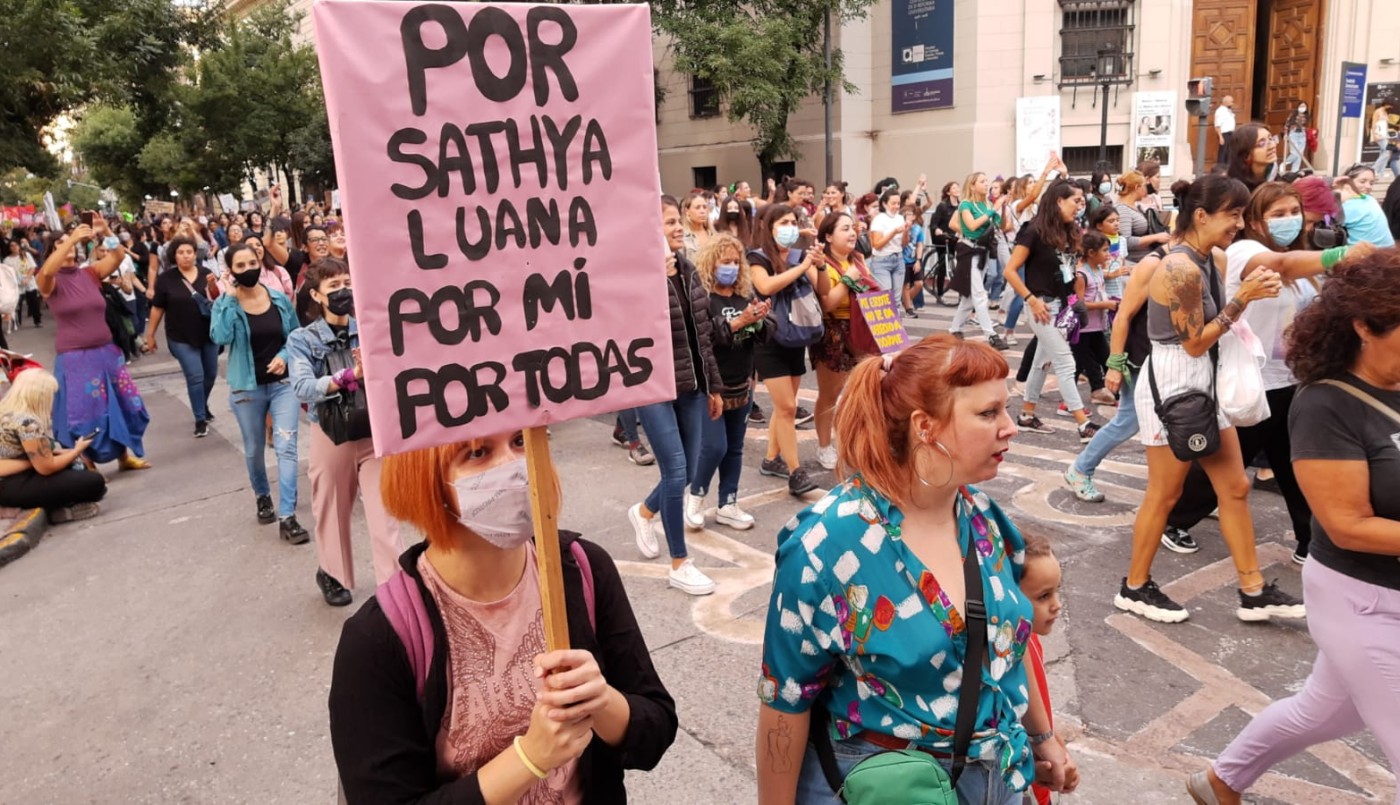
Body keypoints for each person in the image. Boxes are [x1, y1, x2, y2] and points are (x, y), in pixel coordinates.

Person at [755, 336, 1076, 805]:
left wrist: (1042, 736)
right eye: (988, 414)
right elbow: (784, 705)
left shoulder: (982, 516)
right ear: (926, 426)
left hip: (999, 778)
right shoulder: (826, 546)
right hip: (889, 783)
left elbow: (1007, 637)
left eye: (1005, 411)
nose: (1010, 428)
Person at [329, 433, 678, 802]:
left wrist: (601, 702)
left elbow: (655, 727)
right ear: (425, 478)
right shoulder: (378, 640)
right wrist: (529, 758)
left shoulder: (584, 571)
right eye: (477, 452)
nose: (511, 468)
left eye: (520, 441)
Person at [1185, 248, 1400, 805]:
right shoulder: (1326, 405)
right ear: (1364, 326)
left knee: (1320, 709)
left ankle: (1219, 781)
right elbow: (1348, 524)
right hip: (1364, 603)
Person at [1115, 174, 1304, 625]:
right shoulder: (1178, 267)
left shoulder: (1212, 257)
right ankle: (1135, 587)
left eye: (1241, 214)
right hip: (1174, 387)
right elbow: (1195, 342)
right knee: (1165, 493)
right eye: (1232, 214)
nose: (1239, 224)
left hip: (1206, 384)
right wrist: (1243, 297)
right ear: (1201, 215)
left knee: (1236, 487)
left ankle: (1253, 590)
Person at [1161, 181, 1359, 560]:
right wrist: (1343, 254)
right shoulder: (1244, 252)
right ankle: (1173, 518)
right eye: (1277, 214)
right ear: (1254, 220)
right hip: (1253, 382)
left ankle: (1310, 540)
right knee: (1224, 468)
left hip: (1291, 382)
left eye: (1293, 212)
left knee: (1297, 467)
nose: (1289, 220)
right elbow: (1280, 266)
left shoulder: (1301, 260)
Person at [288, 257, 403, 607]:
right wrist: (348, 376)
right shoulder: (302, 339)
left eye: (346, 284)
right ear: (317, 295)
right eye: (334, 287)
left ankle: (394, 586)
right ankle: (333, 573)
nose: (343, 292)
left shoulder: (370, 327)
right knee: (332, 507)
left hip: (373, 429)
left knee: (385, 513)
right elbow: (303, 387)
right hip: (331, 431)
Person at [626, 196, 725, 596]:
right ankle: (680, 563)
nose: (678, 228)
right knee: (676, 471)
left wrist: (713, 385)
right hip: (651, 387)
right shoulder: (634, 277)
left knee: (681, 471)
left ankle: (644, 511)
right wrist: (652, 281)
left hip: (691, 385)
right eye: (668, 223)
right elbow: (631, 329)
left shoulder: (686, 269)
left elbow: (702, 335)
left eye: (677, 221)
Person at [210, 243, 307, 544]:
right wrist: (226, 297)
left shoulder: (278, 299)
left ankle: (288, 516)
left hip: (282, 386)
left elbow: (295, 336)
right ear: (231, 271)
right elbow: (220, 337)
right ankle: (262, 495)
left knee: (287, 447)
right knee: (253, 449)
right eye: (240, 266)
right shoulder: (226, 304)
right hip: (246, 389)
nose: (248, 269)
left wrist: (285, 356)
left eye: (252, 262)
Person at [1065, 240, 1174, 503]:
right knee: (1128, 420)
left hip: (1168, 359)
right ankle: (1080, 469)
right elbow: (1124, 314)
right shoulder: (1154, 264)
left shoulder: (1203, 258)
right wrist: (1115, 364)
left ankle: (1193, 492)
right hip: (1140, 356)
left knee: (1180, 423)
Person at [37, 221, 150, 471]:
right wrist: (72, 238)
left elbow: (119, 255)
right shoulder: (49, 279)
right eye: (61, 244)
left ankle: (123, 456)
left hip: (106, 351)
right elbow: (46, 273)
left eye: (72, 243)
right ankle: (88, 463)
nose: (70, 247)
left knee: (124, 402)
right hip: (76, 358)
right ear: (51, 251)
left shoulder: (88, 273)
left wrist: (107, 232)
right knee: (86, 412)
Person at [1003, 180, 1100, 443]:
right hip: (1041, 308)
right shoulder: (1033, 230)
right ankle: (1083, 425)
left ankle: (1026, 414)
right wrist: (1031, 299)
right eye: (1075, 201)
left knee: (1042, 362)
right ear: (1059, 201)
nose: (1079, 207)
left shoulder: (1070, 231)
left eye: (1082, 202)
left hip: (1061, 307)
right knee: (1066, 362)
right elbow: (1009, 271)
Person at [685, 234, 767, 532]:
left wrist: (761, 319)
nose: (731, 268)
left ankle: (728, 502)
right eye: (725, 262)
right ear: (711, 264)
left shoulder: (744, 296)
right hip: (712, 386)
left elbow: (764, 334)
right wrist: (737, 323)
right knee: (714, 446)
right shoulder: (704, 299)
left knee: (734, 447)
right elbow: (705, 339)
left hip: (741, 383)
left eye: (736, 262)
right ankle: (695, 495)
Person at [749, 204, 821, 496]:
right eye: (784, 222)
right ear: (768, 226)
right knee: (788, 408)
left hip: (794, 337)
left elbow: (824, 290)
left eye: (794, 221)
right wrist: (802, 267)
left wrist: (819, 263)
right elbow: (765, 286)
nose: (791, 227)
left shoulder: (799, 255)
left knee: (784, 407)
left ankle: (770, 459)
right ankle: (795, 472)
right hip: (767, 340)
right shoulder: (757, 257)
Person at [809, 211, 874, 472]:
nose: (852, 233)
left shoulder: (858, 259)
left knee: (861, 392)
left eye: (853, 228)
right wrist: (849, 280)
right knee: (830, 395)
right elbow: (828, 303)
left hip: (861, 330)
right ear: (828, 235)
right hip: (833, 332)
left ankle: (855, 444)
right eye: (845, 228)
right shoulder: (819, 262)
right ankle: (824, 446)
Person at [0, 368, 106, 523]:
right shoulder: (27, 422)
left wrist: (61, 453)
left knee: (77, 471)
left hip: (10, 480)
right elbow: (46, 466)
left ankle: (55, 506)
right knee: (94, 483)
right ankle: (56, 511)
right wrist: (77, 450)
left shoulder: (5, 412)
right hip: (12, 484)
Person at [144, 235, 220, 438]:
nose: (186, 256)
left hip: (208, 334)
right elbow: (158, 308)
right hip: (181, 336)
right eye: (180, 252)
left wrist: (214, 286)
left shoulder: (207, 273)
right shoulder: (166, 279)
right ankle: (200, 419)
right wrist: (150, 335)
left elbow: (218, 300)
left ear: (196, 254)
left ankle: (202, 404)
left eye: (189, 252)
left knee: (210, 374)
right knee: (195, 375)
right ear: (173, 256)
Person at [1019, 533, 1067, 805]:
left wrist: (1054, 742)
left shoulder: (1031, 639)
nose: (1056, 604)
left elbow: (1041, 709)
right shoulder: (1008, 654)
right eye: (1044, 595)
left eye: (1057, 590)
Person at [950, 172, 1010, 350]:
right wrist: (994, 209)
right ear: (972, 185)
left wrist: (1003, 209)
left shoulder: (988, 204)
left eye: (987, 181)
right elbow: (972, 225)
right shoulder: (966, 204)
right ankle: (991, 335)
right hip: (969, 251)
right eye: (982, 182)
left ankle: (955, 329)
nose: (987, 185)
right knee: (979, 294)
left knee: (969, 297)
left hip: (983, 251)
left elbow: (1003, 226)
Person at [1072, 231, 1119, 408]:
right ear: (1091, 253)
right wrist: (1105, 304)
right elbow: (1079, 304)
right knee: (1076, 366)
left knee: (1105, 358)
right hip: (1083, 329)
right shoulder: (1081, 274)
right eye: (1105, 251)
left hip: (1097, 327)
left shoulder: (1097, 269)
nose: (1108, 254)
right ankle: (1068, 403)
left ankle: (1107, 392)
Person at [1115, 171, 1172, 264]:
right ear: (1137, 187)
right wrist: (1155, 237)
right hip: (1135, 261)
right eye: (1145, 186)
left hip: (1144, 257)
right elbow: (1125, 241)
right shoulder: (1123, 209)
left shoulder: (1135, 206)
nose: (1146, 189)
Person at [1335, 166, 1396, 248]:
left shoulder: (1351, 204)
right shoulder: (1370, 198)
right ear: (1347, 182)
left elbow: (1327, 222)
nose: (1368, 186)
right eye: (1362, 181)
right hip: (1388, 250)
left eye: (1371, 183)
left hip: (1367, 256)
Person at [867, 189, 908, 301]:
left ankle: (897, 318)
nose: (896, 206)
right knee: (886, 296)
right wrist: (893, 232)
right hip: (881, 260)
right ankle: (888, 319)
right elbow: (877, 244)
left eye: (898, 203)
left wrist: (906, 231)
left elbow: (904, 244)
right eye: (893, 203)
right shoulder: (879, 219)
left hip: (898, 258)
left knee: (896, 298)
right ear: (885, 204)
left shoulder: (900, 218)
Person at [926, 182, 961, 304]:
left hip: (955, 237)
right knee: (943, 265)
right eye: (954, 188)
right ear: (948, 192)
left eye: (957, 187)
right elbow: (934, 222)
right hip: (943, 237)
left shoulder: (961, 206)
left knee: (961, 265)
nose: (957, 190)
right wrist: (937, 230)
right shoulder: (942, 206)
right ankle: (940, 293)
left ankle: (962, 294)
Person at [1226, 124, 1277, 192]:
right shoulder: (1234, 190)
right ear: (1246, 155)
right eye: (1262, 143)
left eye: (1271, 139)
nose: (1272, 146)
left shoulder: (1279, 181)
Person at [5, 240, 40, 328]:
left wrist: (27, 278)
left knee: (33, 302)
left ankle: (37, 321)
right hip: (16, 285)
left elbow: (32, 267)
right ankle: (17, 322)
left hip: (29, 283)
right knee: (17, 305)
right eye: (12, 246)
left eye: (16, 245)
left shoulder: (26, 255)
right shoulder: (7, 260)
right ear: (9, 248)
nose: (14, 247)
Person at [901, 205, 926, 316]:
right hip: (903, 260)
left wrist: (918, 260)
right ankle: (908, 308)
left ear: (914, 216)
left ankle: (904, 300)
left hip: (913, 259)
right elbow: (903, 243)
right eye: (905, 214)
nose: (908, 216)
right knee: (905, 285)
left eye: (910, 214)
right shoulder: (900, 227)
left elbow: (920, 245)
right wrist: (906, 229)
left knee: (919, 284)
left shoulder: (917, 229)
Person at [681, 192, 714, 263]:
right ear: (687, 211)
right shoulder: (682, 236)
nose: (702, 211)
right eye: (697, 208)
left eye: (704, 207)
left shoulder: (713, 235)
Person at [1370, 100, 1399, 178]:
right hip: (1379, 134)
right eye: (1390, 105)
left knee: (1384, 153)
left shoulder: (1385, 112)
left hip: (1384, 135)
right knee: (1387, 152)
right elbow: (1374, 124)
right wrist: (1374, 135)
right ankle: (1373, 170)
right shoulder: (1378, 111)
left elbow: (1384, 125)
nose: (1391, 107)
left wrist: (1390, 130)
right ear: (1386, 104)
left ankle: (1381, 172)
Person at [1282, 103, 1310, 173]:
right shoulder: (1293, 114)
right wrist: (1286, 134)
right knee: (1294, 152)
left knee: (1300, 153)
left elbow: (1305, 125)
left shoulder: (1307, 116)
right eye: (1301, 106)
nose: (1302, 107)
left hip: (1302, 134)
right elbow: (1287, 124)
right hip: (1293, 134)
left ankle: (1295, 171)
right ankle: (1285, 163)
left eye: (1304, 106)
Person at [1214, 95, 1237, 167]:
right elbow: (1217, 125)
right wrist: (1220, 137)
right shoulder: (1220, 111)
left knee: (1229, 152)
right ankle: (1220, 169)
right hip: (1224, 134)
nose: (1232, 103)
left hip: (1230, 134)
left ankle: (1227, 168)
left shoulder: (1228, 110)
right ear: (1226, 102)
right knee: (1223, 152)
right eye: (1231, 102)